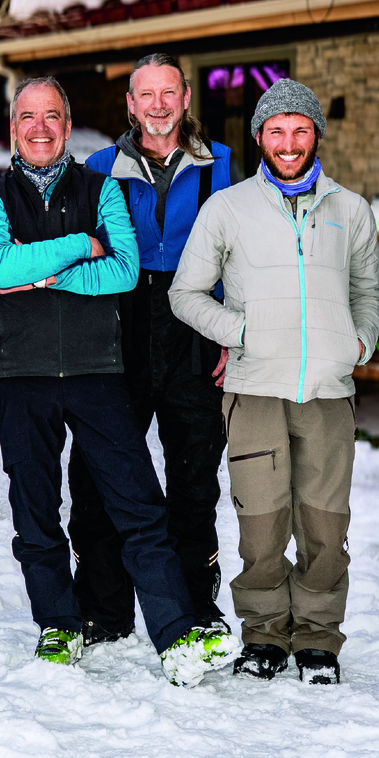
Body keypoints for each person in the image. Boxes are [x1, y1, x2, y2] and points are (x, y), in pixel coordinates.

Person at [0, 76, 241, 686]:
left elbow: (120, 273)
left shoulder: (102, 188)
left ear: (67, 127)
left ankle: (176, 636)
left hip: (98, 373)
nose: (39, 127)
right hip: (23, 376)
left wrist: (39, 276)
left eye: (52, 116)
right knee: (35, 509)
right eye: (27, 117)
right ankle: (60, 623)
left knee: (139, 506)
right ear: (14, 128)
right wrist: (77, 246)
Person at [169, 78, 379, 685]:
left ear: (316, 134)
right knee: (260, 523)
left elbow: (369, 291)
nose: (288, 143)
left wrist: (359, 341)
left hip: (327, 393)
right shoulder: (228, 208)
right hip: (255, 389)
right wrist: (239, 332)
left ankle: (317, 638)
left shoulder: (351, 210)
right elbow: (185, 294)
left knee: (324, 523)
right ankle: (263, 634)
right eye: (276, 130)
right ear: (259, 137)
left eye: (300, 129)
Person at [73, 52, 233, 646]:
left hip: (193, 332)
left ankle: (197, 605)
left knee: (194, 477)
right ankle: (102, 608)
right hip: (119, 332)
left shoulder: (222, 166)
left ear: (186, 98)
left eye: (169, 93)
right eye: (147, 94)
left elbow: (237, 260)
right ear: (131, 103)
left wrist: (228, 330)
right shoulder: (97, 167)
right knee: (99, 472)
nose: (159, 105)